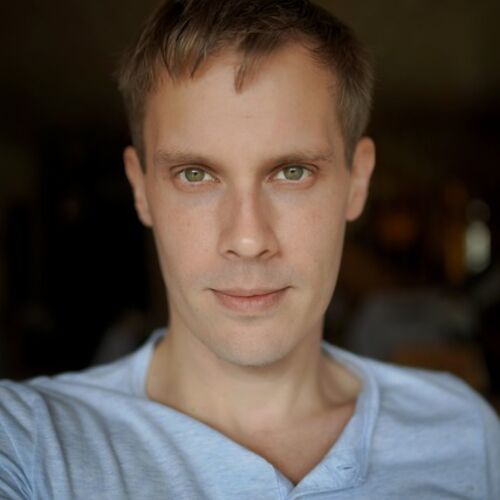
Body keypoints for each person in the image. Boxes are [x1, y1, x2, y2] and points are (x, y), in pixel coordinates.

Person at [1, 0, 499, 498]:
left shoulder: (463, 434)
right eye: (194, 174)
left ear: (357, 181)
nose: (248, 239)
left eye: (292, 172)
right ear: (140, 188)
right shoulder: (29, 444)